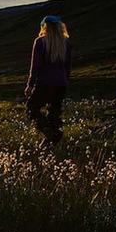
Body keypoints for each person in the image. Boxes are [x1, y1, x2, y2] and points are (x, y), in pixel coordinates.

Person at [25, 15, 72, 146]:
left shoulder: (40, 42)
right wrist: (65, 81)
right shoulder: (66, 43)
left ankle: (49, 133)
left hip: (44, 83)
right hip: (61, 84)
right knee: (54, 112)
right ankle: (53, 136)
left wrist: (30, 85)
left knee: (32, 108)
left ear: (44, 26)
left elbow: (35, 66)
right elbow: (67, 66)